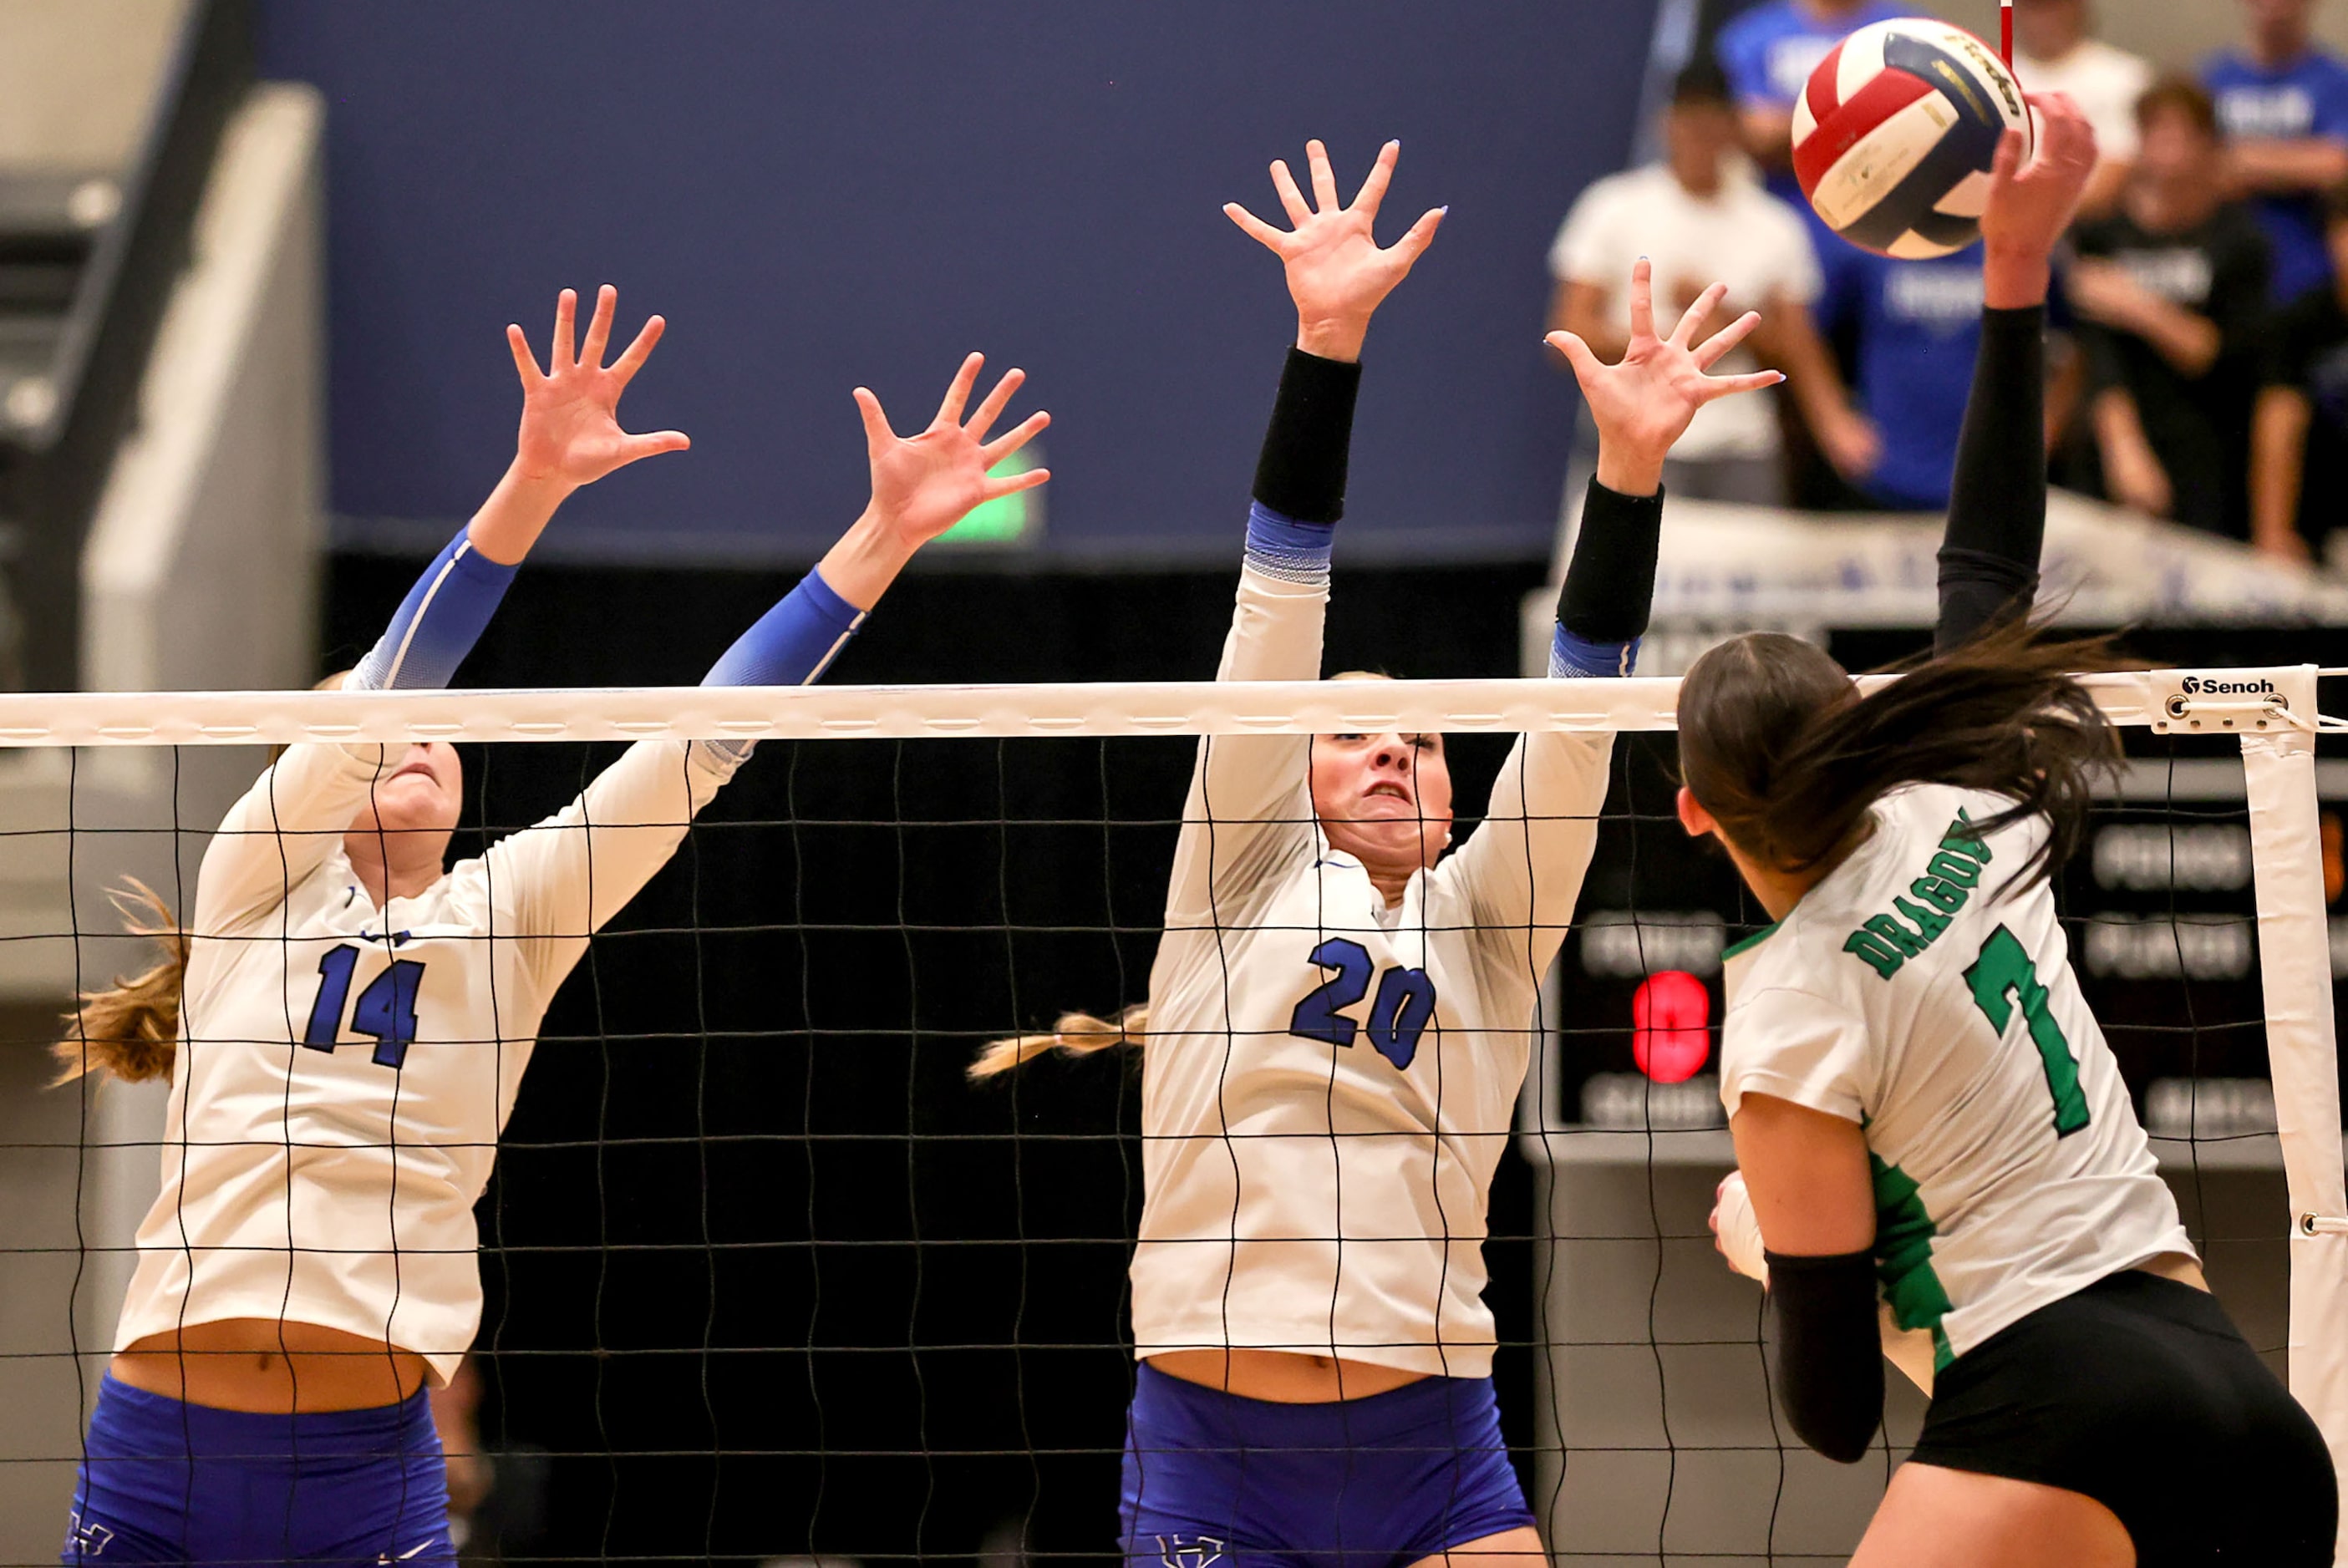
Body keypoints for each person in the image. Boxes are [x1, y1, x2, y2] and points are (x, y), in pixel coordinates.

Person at [53, 287, 1049, 1566]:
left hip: (370, 1462)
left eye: (440, 733)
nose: (413, 734)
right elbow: (403, 671)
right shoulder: (257, 882)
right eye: (370, 723)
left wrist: (880, 535)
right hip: (162, 1447)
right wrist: (530, 483)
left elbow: (699, 744)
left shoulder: (513, 910)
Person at [969, 139, 1781, 1568]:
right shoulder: (1240, 875)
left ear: (1460, 795)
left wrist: (1631, 465)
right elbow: (1278, 608)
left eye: (1421, 741)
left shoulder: (1491, 917)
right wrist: (1326, 343)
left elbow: (1579, 710)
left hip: (1436, 1444)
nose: (1395, 747)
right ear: (1294, 771)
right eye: (1353, 736)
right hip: (1216, 1446)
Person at [1688, 96, 2339, 1565]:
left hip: (2056, 1410)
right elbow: (1985, 559)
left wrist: (1767, 1258)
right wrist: (2017, 267)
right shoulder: (1960, 799)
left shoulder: (1787, 1007)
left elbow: (1838, 1412)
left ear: (1692, 812)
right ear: (1859, 738)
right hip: (2237, 1393)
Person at [1548, 60, 1877, 503]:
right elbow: (1572, 329)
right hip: (1636, 432)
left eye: (1713, 121)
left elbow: (1798, 342)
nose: (1700, 137)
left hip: (1741, 442)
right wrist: (1665, 345)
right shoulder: (1613, 207)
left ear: (1733, 127)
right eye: (1690, 121)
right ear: (1666, 124)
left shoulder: (1773, 224)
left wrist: (1833, 420)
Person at [2068, 79, 2272, 539]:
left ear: (2209, 145)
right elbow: (2101, 359)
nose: (2167, 150)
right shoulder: (2104, 234)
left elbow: (2221, 355)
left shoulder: (2242, 241)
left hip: (2210, 446)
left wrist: (2137, 306)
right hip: (2121, 444)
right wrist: (2125, 448)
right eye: (2155, 133)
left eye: (2181, 134)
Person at [1812, 244, 1987, 511]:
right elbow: (1803, 325)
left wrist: (2039, 434)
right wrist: (1832, 418)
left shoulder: (2008, 246)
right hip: (1880, 465)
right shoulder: (1872, 243)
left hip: (1984, 470)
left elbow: (2067, 337)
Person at [2203, 0, 2348, 304]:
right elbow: (2197, 170)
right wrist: (2297, 164)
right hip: (2222, 278)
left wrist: (2240, 159)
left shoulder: (2336, 81)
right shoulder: (2210, 80)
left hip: (2310, 275)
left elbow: (2337, 165)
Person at [1715, 0, 1903, 206]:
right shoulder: (1752, 34)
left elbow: (1917, 133)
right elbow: (1758, 134)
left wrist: (1798, 127)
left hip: (1884, 205)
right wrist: (1865, 123)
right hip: (1780, 208)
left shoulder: (1905, 30)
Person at [2251, 179, 2348, 564]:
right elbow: (2278, 426)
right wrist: (2273, 532)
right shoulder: (2301, 323)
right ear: (2331, 238)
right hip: (2322, 530)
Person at [2010, 0, 2153, 220]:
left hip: (2092, 232)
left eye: (2051, 5)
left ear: (2078, 6)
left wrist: (2030, 216)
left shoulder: (2125, 78)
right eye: (2031, 6)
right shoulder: (1991, 75)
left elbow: (2117, 171)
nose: (2041, 18)